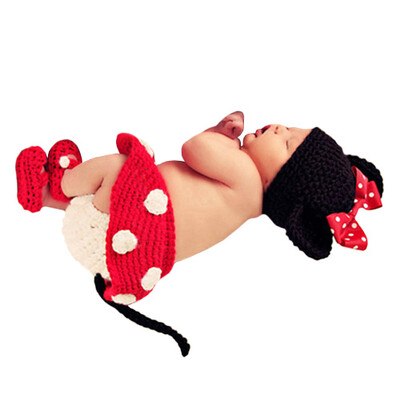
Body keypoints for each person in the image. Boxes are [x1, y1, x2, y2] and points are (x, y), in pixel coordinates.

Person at [15, 111, 384, 356]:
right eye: (290, 128)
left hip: (122, 233)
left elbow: (193, 149)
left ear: (278, 184)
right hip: (123, 249)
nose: (279, 128)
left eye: (287, 143)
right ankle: (55, 196)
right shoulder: (247, 200)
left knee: (121, 167)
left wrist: (222, 132)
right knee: (121, 185)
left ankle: (60, 185)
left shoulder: (245, 176)